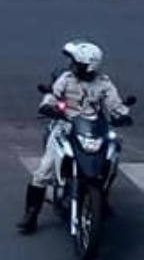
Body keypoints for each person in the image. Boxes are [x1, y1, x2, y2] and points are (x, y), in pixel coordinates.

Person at [18, 41, 133, 232]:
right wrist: (48, 106)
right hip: (66, 127)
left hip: (94, 129)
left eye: (75, 62)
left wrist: (122, 115)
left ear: (88, 65)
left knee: (112, 158)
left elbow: (115, 104)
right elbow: (53, 95)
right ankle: (31, 215)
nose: (71, 65)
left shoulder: (104, 83)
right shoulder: (66, 78)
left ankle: (101, 198)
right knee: (42, 172)